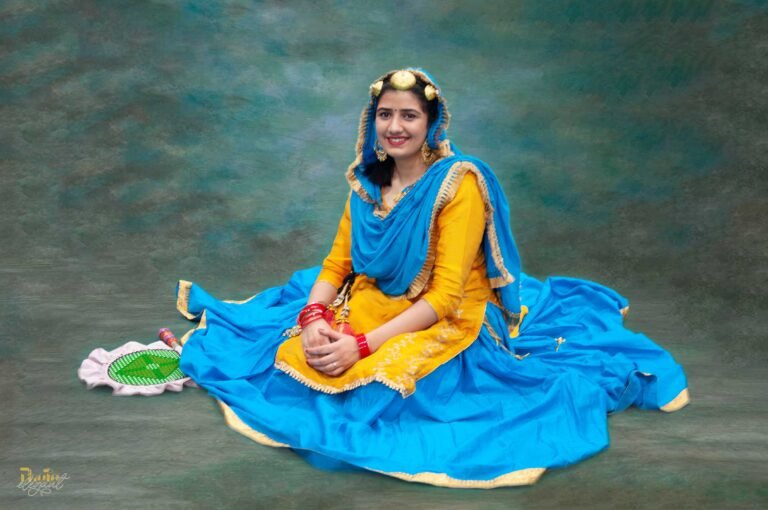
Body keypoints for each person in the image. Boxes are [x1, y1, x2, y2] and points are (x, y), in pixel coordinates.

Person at [176, 68, 689, 488]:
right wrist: (314, 318)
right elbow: (336, 266)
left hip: (448, 313)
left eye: (409, 115)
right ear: (372, 120)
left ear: (431, 122)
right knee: (293, 353)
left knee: (388, 380)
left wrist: (360, 343)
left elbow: (445, 296)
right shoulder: (366, 182)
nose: (394, 126)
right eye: (385, 115)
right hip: (377, 300)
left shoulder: (456, 185)